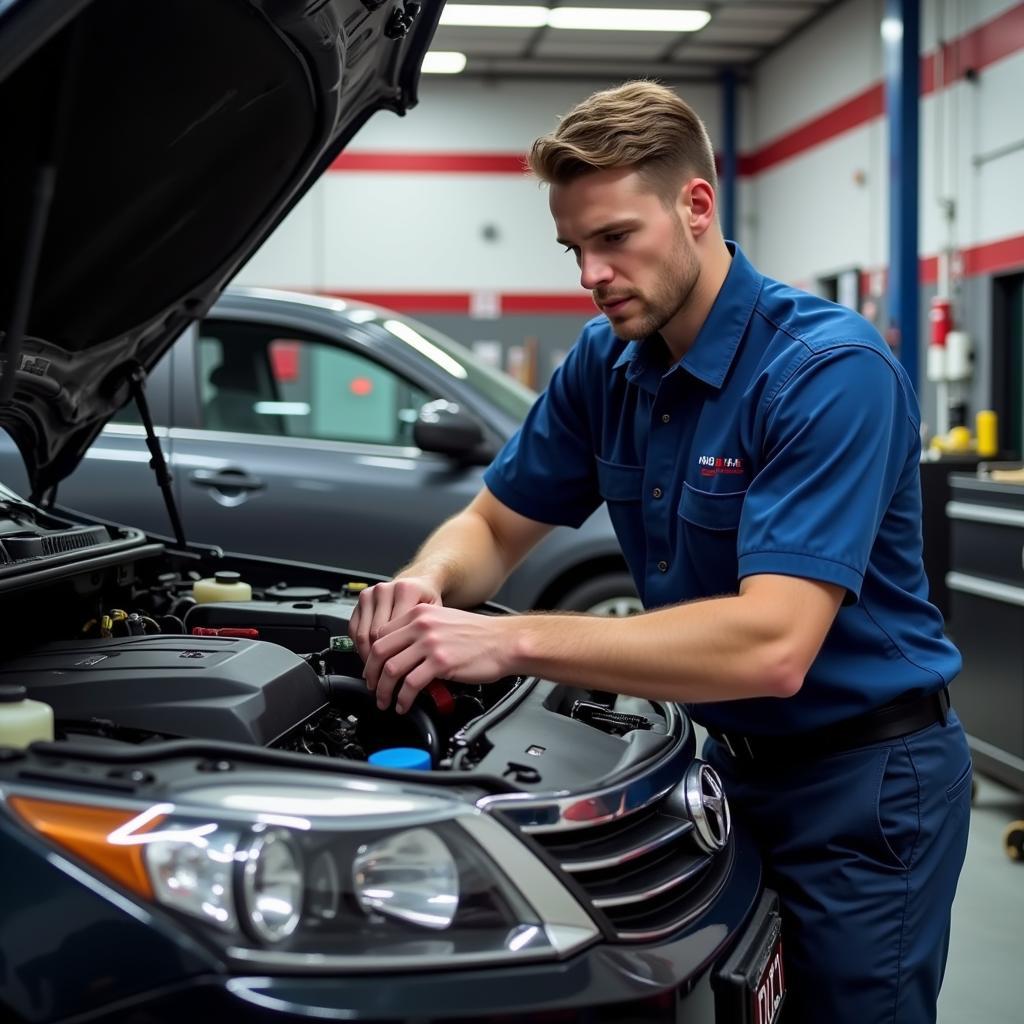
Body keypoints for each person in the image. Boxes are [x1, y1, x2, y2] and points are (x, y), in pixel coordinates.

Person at [350, 81, 971, 1024]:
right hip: (720, 770)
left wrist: (507, 641)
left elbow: (772, 645)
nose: (591, 275)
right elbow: (489, 526)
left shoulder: (826, 373)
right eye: (575, 249)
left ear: (696, 206)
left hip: (864, 790)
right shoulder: (608, 363)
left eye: (615, 239)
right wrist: (425, 584)